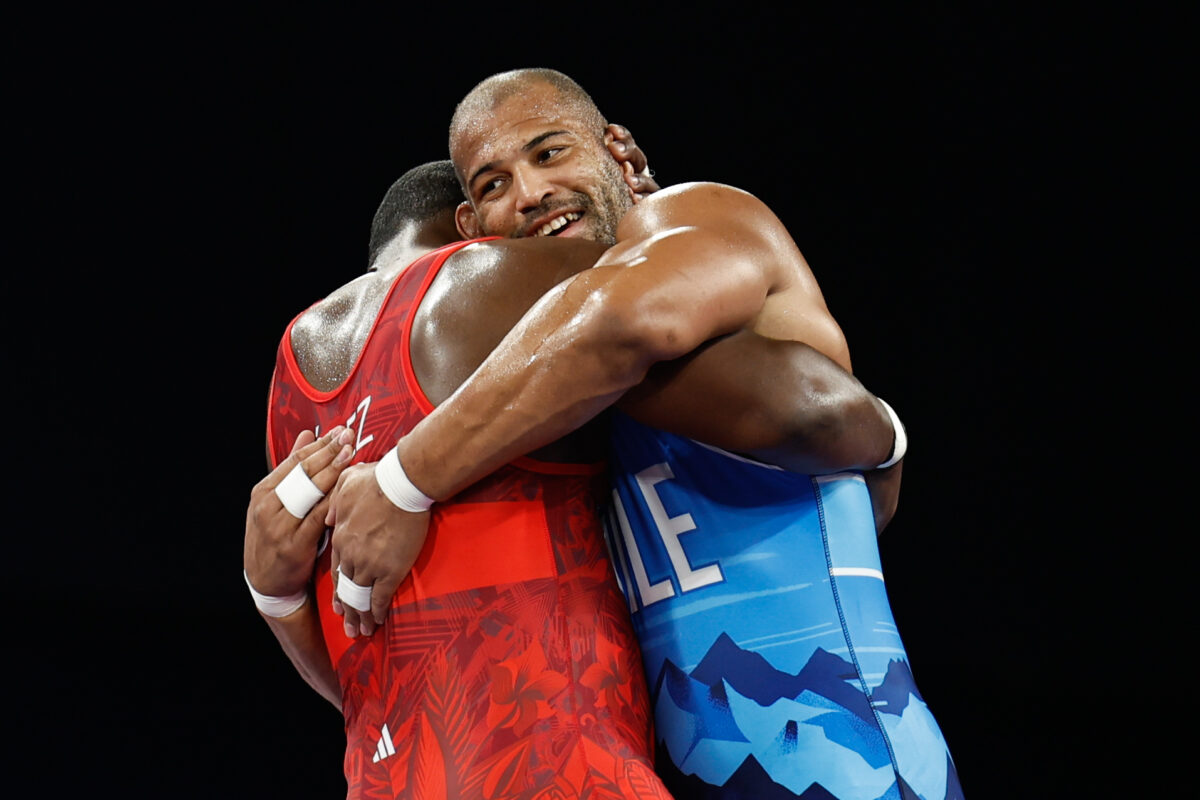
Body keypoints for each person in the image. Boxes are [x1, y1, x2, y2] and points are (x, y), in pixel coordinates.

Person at [323, 68, 962, 799]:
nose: (530, 192)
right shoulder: (543, 393)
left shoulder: (698, 217)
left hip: (846, 756)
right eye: (494, 184)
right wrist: (272, 588)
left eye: (550, 152)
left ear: (619, 154)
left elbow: (626, 325)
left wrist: (403, 480)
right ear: (475, 231)